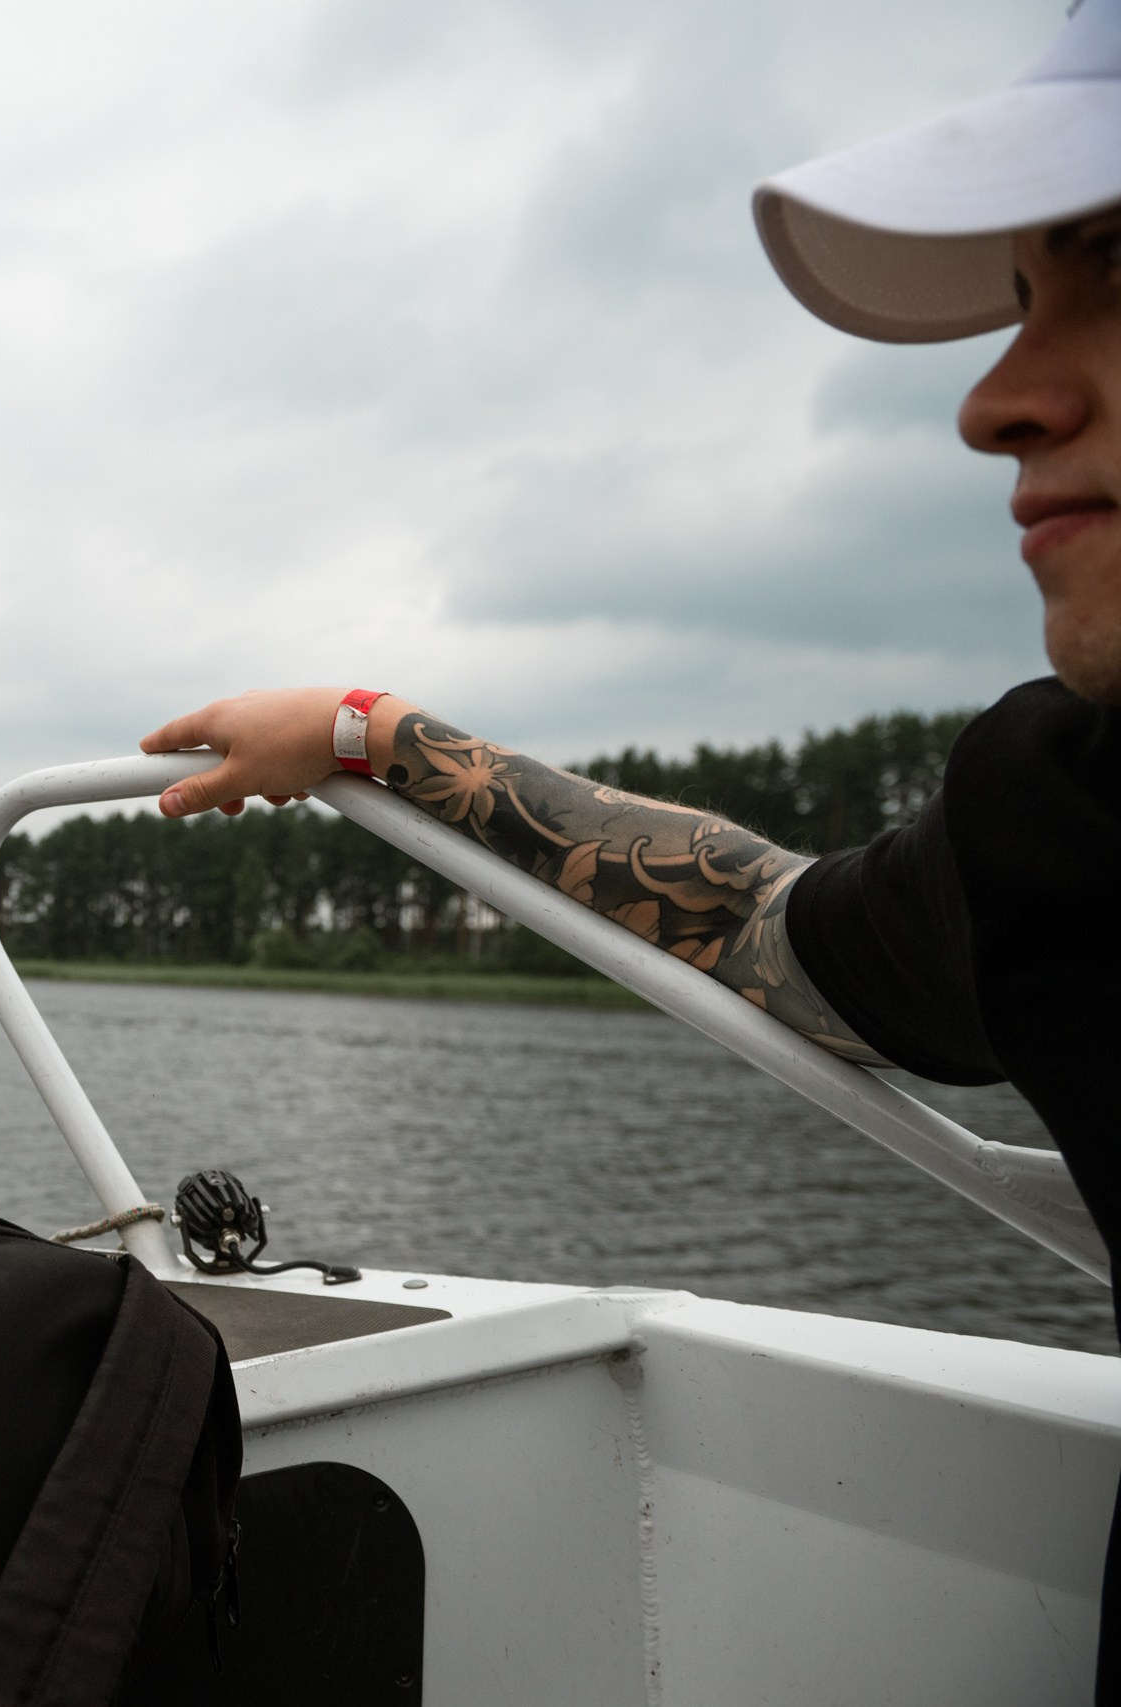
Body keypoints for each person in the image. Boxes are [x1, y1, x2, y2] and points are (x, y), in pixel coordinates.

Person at [142, 0, 1121, 1694]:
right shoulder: (1072, 821)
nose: (995, 403)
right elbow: (756, 922)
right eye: (1026, 299)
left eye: (1116, 270)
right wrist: (372, 734)